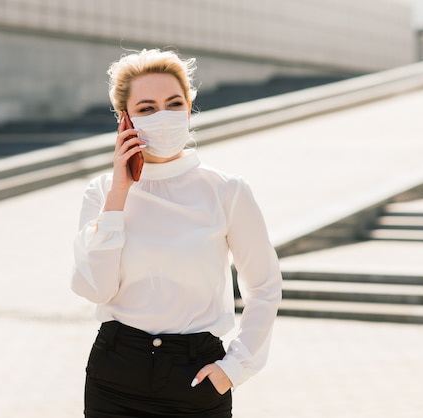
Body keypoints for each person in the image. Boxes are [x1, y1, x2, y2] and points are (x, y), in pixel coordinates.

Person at [71, 48, 282, 418]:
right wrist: (119, 194)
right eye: (148, 108)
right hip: (116, 374)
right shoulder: (103, 192)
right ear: (125, 119)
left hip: (196, 376)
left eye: (173, 103)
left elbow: (264, 287)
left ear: (189, 107)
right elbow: (96, 289)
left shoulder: (226, 190)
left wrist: (234, 368)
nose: (163, 117)